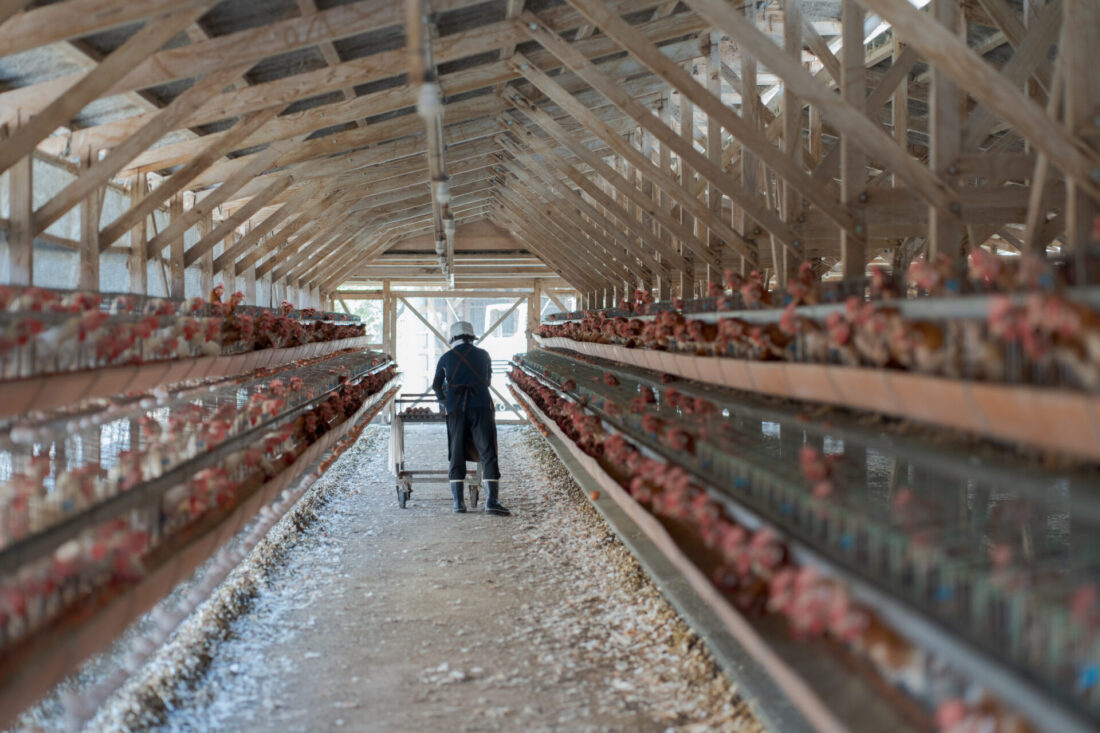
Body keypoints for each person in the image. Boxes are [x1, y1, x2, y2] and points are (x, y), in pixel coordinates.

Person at [431, 320, 509, 516]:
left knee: (456, 451)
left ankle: (458, 503)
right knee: (487, 451)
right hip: (481, 404)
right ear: (471, 337)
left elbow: (436, 385)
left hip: (455, 408)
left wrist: (444, 401)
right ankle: (491, 502)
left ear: (453, 338)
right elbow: (488, 380)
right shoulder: (484, 355)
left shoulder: (446, 357)